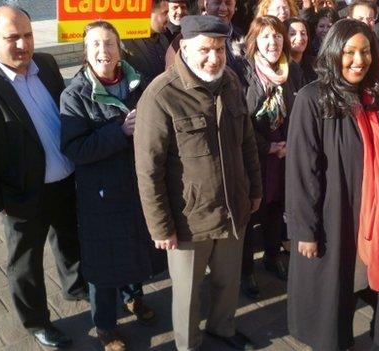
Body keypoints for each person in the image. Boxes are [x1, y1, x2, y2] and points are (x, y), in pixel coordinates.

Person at [134, 15, 262, 351]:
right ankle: (188, 345)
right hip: (189, 220)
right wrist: (161, 227)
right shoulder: (160, 95)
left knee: (227, 281)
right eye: (206, 49)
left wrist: (255, 190)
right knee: (187, 293)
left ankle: (223, 327)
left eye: (219, 48)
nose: (214, 57)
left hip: (234, 207)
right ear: (185, 50)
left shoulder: (231, 81)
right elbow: (149, 170)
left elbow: (247, 142)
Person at [286, 18, 379, 350]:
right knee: (332, 294)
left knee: (361, 283)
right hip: (333, 219)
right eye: (349, 52)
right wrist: (305, 231)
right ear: (334, 52)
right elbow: (302, 172)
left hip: (374, 218)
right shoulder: (312, 99)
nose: (358, 60)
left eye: (365, 51)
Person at [0, 5, 87, 348]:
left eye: (28, 35)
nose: (23, 44)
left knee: (69, 241)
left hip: (64, 181)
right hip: (20, 196)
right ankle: (36, 321)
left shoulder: (48, 66)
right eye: (12, 38)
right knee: (25, 263)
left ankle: (75, 287)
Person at [59, 20, 162, 351]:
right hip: (100, 195)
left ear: (120, 48)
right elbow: (76, 148)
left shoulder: (138, 83)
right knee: (103, 263)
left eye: (109, 43)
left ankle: (134, 298)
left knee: (135, 246)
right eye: (95, 45)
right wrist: (120, 131)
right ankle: (104, 325)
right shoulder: (74, 94)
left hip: (136, 185)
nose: (103, 50)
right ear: (86, 52)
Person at [232, 15, 304, 299]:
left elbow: (300, 109)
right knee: (251, 213)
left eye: (277, 36)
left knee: (276, 207)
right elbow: (241, 118)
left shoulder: (293, 70)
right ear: (254, 42)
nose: (272, 42)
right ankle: (245, 270)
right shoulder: (241, 71)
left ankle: (272, 256)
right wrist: (267, 147)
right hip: (255, 153)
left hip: (286, 152)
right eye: (265, 36)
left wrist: (291, 143)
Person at [165, 0, 244, 69]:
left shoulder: (242, 37)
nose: (223, 8)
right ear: (206, 4)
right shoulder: (186, 40)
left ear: (235, 6)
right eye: (217, 2)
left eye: (228, 3)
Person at [123, 0, 170, 88]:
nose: (168, 18)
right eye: (165, 13)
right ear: (148, 13)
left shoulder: (164, 40)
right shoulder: (126, 43)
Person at [287, 17, 317, 82]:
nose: (299, 38)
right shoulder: (281, 67)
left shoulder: (316, 65)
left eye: (303, 33)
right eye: (293, 34)